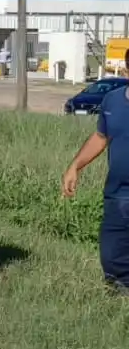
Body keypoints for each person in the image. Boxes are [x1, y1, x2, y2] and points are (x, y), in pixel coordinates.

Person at [63, 83, 129, 293]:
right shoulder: (112, 100)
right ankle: (120, 296)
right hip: (117, 194)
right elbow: (101, 137)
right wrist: (75, 166)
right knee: (111, 257)